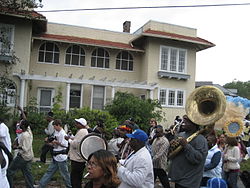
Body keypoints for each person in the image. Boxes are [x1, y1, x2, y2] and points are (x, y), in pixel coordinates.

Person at [168, 115, 208, 188]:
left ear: (194, 125)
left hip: (189, 181)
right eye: (183, 121)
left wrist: (186, 145)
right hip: (178, 178)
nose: (183, 123)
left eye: (186, 122)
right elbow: (172, 155)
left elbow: (198, 159)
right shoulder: (181, 135)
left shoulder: (201, 139)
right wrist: (171, 146)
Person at [38, 119, 71, 188]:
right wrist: (48, 142)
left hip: (61, 157)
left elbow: (65, 145)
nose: (54, 128)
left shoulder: (63, 133)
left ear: (58, 125)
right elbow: (54, 143)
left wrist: (57, 142)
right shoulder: (56, 132)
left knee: (65, 174)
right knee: (49, 172)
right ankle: (41, 185)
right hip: (55, 156)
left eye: (55, 126)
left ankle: (70, 186)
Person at [7, 120, 34, 188]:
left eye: (21, 124)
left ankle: (10, 186)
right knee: (27, 173)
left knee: (9, 171)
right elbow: (26, 122)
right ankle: (30, 186)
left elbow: (25, 148)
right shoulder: (29, 132)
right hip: (29, 156)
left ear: (24, 126)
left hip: (23, 156)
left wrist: (16, 147)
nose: (19, 126)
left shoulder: (24, 135)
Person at [65, 118, 89, 188]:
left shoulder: (82, 131)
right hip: (79, 159)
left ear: (81, 125)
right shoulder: (83, 131)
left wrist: (68, 139)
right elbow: (78, 140)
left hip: (77, 159)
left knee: (75, 179)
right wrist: (72, 137)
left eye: (77, 123)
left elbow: (76, 144)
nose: (76, 124)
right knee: (77, 178)